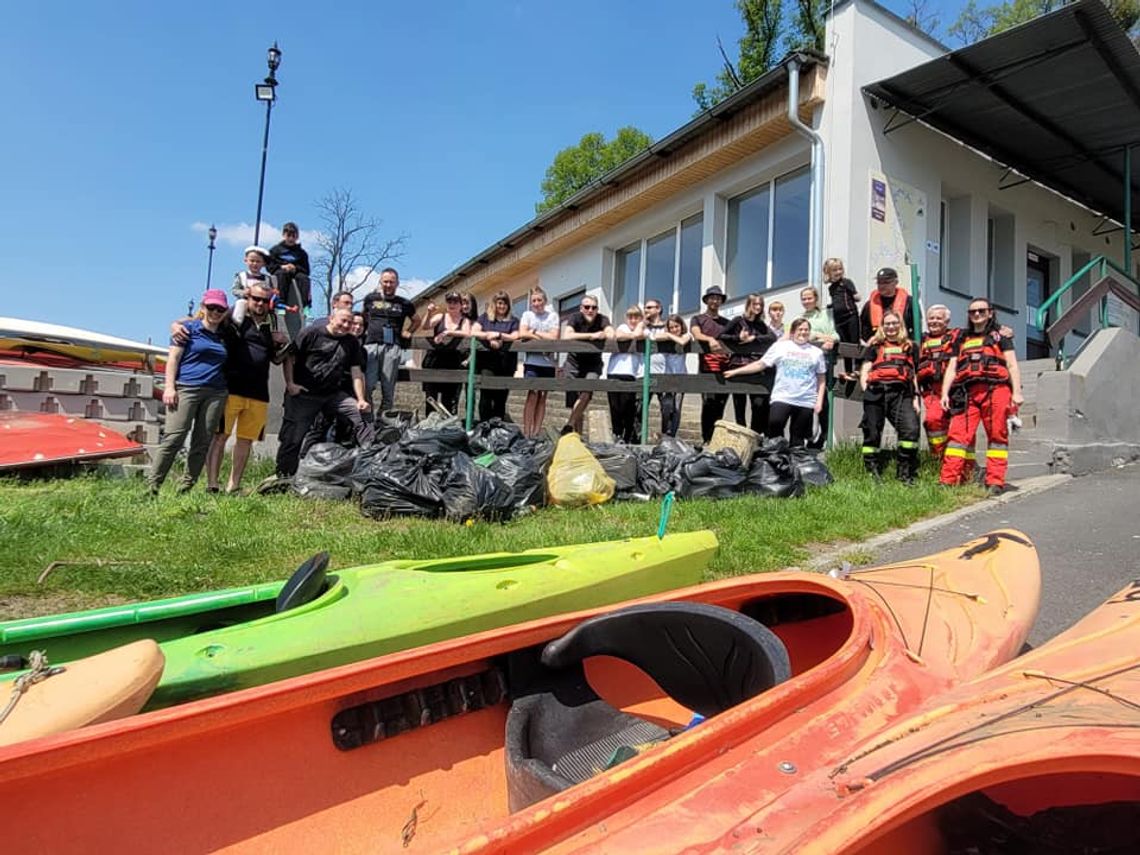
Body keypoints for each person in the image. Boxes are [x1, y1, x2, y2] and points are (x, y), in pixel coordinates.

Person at [202, 282, 288, 494]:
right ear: (248, 299)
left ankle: (234, 485)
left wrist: (286, 344)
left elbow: (276, 359)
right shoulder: (234, 320)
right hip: (231, 389)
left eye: (264, 300)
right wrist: (177, 325)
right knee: (220, 436)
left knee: (246, 441)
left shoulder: (270, 326)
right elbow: (202, 320)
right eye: (255, 299)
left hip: (259, 393)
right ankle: (212, 483)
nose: (259, 303)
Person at [148, 290, 231, 495]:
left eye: (220, 308)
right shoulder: (187, 330)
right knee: (174, 437)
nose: (215, 312)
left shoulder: (227, 334)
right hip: (187, 388)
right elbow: (173, 359)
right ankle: (152, 486)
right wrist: (169, 387)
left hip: (216, 392)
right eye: (211, 307)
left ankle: (186, 486)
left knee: (202, 441)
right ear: (203, 308)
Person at [939, 298, 1024, 494]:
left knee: (997, 436)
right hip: (966, 392)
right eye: (973, 312)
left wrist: (1017, 392)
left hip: (996, 390)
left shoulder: (1000, 336)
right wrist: (945, 392)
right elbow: (952, 367)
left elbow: (1011, 365)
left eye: (981, 311)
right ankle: (948, 480)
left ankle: (995, 481)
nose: (977, 315)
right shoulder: (961, 338)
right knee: (957, 437)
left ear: (990, 313)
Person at [276, 308, 373, 478]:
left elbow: (357, 372)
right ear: (331, 318)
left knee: (361, 413)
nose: (346, 325)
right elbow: (290, 358)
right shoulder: (311, 333)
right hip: (305, 394)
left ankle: (372, 462)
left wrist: (361, 399)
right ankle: (284, 476)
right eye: (343, 321)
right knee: (294, 437)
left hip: (332, 394)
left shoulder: (351, 342)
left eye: (349, 322)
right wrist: (290, 384)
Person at [724, 318, 826, 447]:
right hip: (782, 396)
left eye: (806, 330)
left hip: (805, 399)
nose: (803, 332)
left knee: (798, 437)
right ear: (793, 331)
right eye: (800, 329)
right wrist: (736, 371)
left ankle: (795, 461)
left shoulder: (816, 352)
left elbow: (821, 378)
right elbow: (761, 364)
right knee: (775, 425)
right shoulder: (780, 347)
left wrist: (819, 401)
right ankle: (777, 458)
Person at [859, 310, 921, 483]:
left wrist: (916, 398)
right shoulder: (875, 346)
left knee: (910, 430)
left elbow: (913, 373)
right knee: (872, 432)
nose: (891, 327)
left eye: (895, 323)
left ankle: (905, 472)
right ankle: (872, 472)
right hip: (876, 392)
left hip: (902, 393)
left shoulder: (910, 347)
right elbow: (865, 370)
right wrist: (866, 390)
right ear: (882, 326)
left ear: (900, 325)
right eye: (887, 324)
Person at [719, 293, 778, 434]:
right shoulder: (738, 321)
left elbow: (772, 337)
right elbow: (721, 335)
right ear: (749, 305)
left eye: (760, 305)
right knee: (739, 403)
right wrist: (737, 337)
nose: (758, 307)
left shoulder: (760, 324)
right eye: (755, 304)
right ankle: (741, 433)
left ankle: (754, 434)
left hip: (755, 367)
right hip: (738, 365)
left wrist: (753, 338)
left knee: (758, 403)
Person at [362, 268, 416, 414]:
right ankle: (367, 418)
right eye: (385, 281)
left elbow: (417, 321)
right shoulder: (370, 299)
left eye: (391, 282)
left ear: (397, 283)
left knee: (388, 386)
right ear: (380, 282)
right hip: (371, 345)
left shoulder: (404, 303)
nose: (388, 284)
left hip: (392, 346)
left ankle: (384, 419)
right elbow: (363, 318)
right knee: (367, 384)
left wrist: (408, 331)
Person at [561, 294, 614, 435]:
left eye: (594, 307)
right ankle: (577, 435)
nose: (590, 310)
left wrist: (603, 333)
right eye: (587, 307)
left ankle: (569, 425)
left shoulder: (602, 319)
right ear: (581, 308)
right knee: (575, 402)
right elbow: (567, 335)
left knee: (586, 393)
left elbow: (611, 333)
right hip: (573, 363)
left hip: (593, 365)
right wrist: (591, 336)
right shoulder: (575, 318)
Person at [417, 291, 471, 417]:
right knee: (431, 399)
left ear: (461, 304)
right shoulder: (440, 316)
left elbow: (467, 333)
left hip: (453, 363)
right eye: (449, 301)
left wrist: (448, 332)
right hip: (434, 361)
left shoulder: (464, 321)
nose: (452, 304)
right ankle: (429, 426)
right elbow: (425, 326)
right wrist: (429, 312)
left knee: (450, 400)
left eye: (455, 302)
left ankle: (447, 429)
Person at [916, 304, 959, 462]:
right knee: (933, 421)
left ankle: (959, 463)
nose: (934, 321)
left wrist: (1000, 330)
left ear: (947, 321)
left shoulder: (957, 336)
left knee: (958, 427)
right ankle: (938, 458)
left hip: (955, 389)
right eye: (931, 318)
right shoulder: (920, 340)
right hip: (931, 391)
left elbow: (980, 331)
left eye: (938, 318)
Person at [798, 286, 838, 449]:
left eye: (809, 298)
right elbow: (796, 336)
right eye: (804, 298)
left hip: (823, 359)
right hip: (804, 361)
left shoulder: (824, 315)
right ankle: (807, 434)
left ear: (816, 299)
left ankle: (823, 434)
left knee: (823, 398)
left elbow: (835, 335)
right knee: (805, 397)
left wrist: (821, 337)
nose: (806, 301)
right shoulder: (799, 318)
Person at [471, 290, 520, 422]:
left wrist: (499, 336)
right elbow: (473, 331)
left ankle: (498, 428)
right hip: (487, 362)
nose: (502, 306)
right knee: (486, 395)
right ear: (494, 304)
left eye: (504, 303)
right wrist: (488, 336)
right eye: (499, 303)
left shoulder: (513, 320)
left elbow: (515, 336)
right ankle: (484, 426)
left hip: (506, 363)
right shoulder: (484, 318)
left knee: (501, 397)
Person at [690, 285, 731, 442]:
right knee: (708, 404)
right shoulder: (698, 319)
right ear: (707, 300)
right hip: (706, 368)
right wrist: (710, 339)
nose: (715, 300)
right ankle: (706, 438)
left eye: (718, 298)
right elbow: (696, 333)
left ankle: (715, 439)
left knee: (720, 405)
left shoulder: (726, 322)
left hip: (724, 369)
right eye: (712, 297)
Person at [518, 287, 560, 438]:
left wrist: (534, 333)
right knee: (532, 395)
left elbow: (554, 337)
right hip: (532, 362)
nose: (537, 303)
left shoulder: (553, 316)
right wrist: (541, 337)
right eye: (534, 301)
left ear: (545, 301)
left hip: (548, 363)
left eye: (539, 300)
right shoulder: (527, 315)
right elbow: (522, 333)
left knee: (543, 397)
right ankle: (527, 431)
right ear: (531, 303)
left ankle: (536, 432)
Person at [646, 302, 690, 438]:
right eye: (671, 328)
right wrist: (669, 335)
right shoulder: (666, 337)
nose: (674, 329)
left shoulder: (687, 335)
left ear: (681, 326)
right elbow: (654, 337)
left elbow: (683, 342)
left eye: (676, 326)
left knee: (676, 408)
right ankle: (665, 433)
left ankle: (672, 435)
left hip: (680, 376)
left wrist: (669, 336)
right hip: (666, 377)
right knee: (666, 407)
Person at [607, 304, 646, 444]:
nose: (633, 320)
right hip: (614, 371)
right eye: (630, 317)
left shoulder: (643, 330)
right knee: (614, 406)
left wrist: (639, 328)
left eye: (636, 317)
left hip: (630, 373)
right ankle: (617, 434)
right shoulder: (623, 327)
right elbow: (619, 335)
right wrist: (632, 335)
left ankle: (627, 435)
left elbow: (640, 334)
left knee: (627, 406)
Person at [824, 258, 861, 378]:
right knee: (844, 344)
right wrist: (832, 305)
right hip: (839, 320)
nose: (838, 272)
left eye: (840, 269)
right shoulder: (831, 288)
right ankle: (848, 370)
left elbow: (856, 296)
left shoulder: (846, 282)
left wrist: (855, 296)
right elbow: (836, 299)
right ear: (828, 272)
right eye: (835, 270)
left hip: (850, 316)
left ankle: (858, 367)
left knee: (854, 341)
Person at [860, 267, 914, 342]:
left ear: (896, 282)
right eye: (879, 283)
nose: (882, 286)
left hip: (902, 345)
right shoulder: (869, 305)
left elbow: (916, 327)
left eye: (886, 283)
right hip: (879, 345)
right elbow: (863, 327)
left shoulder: (909, 302)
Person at [267, 222, 312, 312]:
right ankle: (281, 303)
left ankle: (306, 306)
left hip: (297, 273)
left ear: (297, 237)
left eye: (294, 236)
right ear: (284, 235)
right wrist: (282, 266)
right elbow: (269, 267)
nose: (291, 238)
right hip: (281, 272)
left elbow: (306, 270)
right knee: (281, 275)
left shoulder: (302, 253)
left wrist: (295, 268)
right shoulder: (275, 250)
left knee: (304, 279)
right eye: (289, 235)